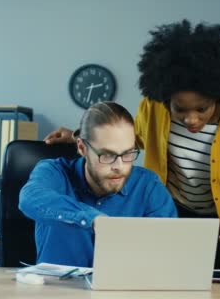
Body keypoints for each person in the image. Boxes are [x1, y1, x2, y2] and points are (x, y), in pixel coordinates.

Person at [45, 19, 220, 269]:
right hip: (169, 212)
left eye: (202, 108)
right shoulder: (154, 108)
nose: (191, 119)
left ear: (219, 94)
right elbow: (132, 140)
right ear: (166, 99)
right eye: (180, 109)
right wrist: (81, 136)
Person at [19, 101, 177, 267]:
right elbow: (29, 198)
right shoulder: (53, 171)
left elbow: (169, 251)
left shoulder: (148, 185)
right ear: (82, 148)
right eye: (108, 155)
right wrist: (92, 219)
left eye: (128, 153)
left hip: (124, 291)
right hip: (57, 290)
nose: (119, 166)